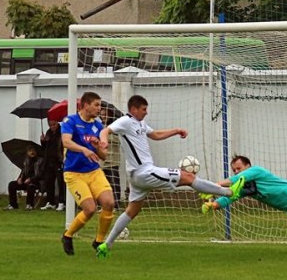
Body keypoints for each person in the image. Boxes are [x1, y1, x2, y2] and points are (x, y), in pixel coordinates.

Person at [95, 94, 239, 258]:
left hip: (137, 176)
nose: (146, 112)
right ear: (133, 109)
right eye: (144, 109)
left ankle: (107, 244)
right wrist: (103, 140)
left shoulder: (140, 123)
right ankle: (228, 192)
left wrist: (175, 131)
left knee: (132, 211)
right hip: (144, 172)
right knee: (188, 177)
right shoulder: (125, 121)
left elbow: (155, 134)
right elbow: (106, 130)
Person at [60, 92, 115, 256]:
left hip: (93, 171)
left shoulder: (98, 126)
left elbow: (104, 156)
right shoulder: (70, 121)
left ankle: (98, 241)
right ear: (85, 105)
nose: (99, 108)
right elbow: (66, 142)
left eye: (100, 105)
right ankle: (67, 235)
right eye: (96, 105)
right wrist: (84, 149)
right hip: (74, 173)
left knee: (109, 203)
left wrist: (98, 145)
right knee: (90, 209)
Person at [4, 144, 43, 210]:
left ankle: (29, 205)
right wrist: (20, 179)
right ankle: (13, 205)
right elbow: (23, 172)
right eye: (30, 151)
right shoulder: (26, 161)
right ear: (27, 152)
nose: (32, 152)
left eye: (33, 150)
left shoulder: (40, 161)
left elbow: (40, 174)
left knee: (31, 186)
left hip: (36, 182)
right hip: (25, 182)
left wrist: (31, 179)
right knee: (12, 184)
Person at [39, 118, 66, 211]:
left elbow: (64, 145)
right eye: (50, 125)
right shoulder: (48, 133)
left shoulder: (62, 131)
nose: (52, 127)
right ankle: (51, 202)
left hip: (58, 161)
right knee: (48, 182)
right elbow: (45, 147)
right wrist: (43, 141)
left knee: (60, 182)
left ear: (57, 123)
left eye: (54, 124)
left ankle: (62, 202)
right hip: (48, 161)